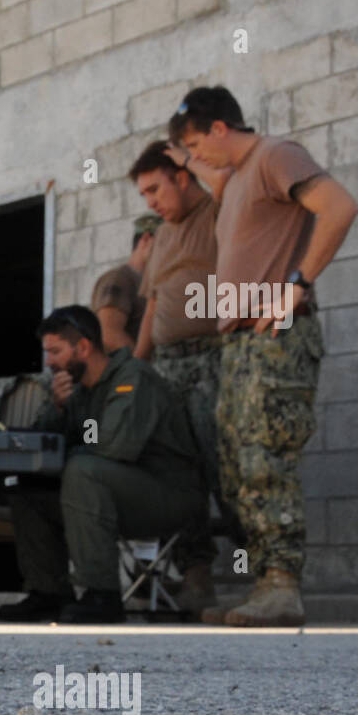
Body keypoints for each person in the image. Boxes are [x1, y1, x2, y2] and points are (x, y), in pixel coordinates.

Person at [169, 86, 358, 626]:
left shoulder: (275, 155)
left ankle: (282, 585)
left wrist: (296, 285)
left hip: (276, 336)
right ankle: (265, 586)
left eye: (195, 144)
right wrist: (176, 154)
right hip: (241, 343)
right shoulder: (233, 183)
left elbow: (340, 206)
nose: (194, 158)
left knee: (265, 458)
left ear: (221, 129)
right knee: (237, 467)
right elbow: (210, 173)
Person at [0, 306, 204, 624]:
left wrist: (70, 455)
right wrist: (58, 407)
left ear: (83, 347)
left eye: (55, 351)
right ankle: (49, 593)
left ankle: (102, 594)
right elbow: (46, 440)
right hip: (116, 493)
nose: (49, 362)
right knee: (27, 489)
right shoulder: (79, 391)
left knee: (83, 470)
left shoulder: (132, 378)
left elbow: (115, 447)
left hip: (168, 496)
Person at [128, 141, 239, 614]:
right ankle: (196, 579)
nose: (151, 201)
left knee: (227, 469)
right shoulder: (162, 235)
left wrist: (191, 157)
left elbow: (237, 188)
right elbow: (152, 304)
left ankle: (269, 574)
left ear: (182, 176)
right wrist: (136, 369)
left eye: (155, 188)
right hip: (167, 367)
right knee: (179, 473)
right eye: (144, 194)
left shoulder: (220, 212)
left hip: (215, 358)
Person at [90, 214, 161, 353]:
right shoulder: (120, 279)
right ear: (146, 239)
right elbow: (109, 333)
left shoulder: (146, 280)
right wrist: (141, 365)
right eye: (164, 242)